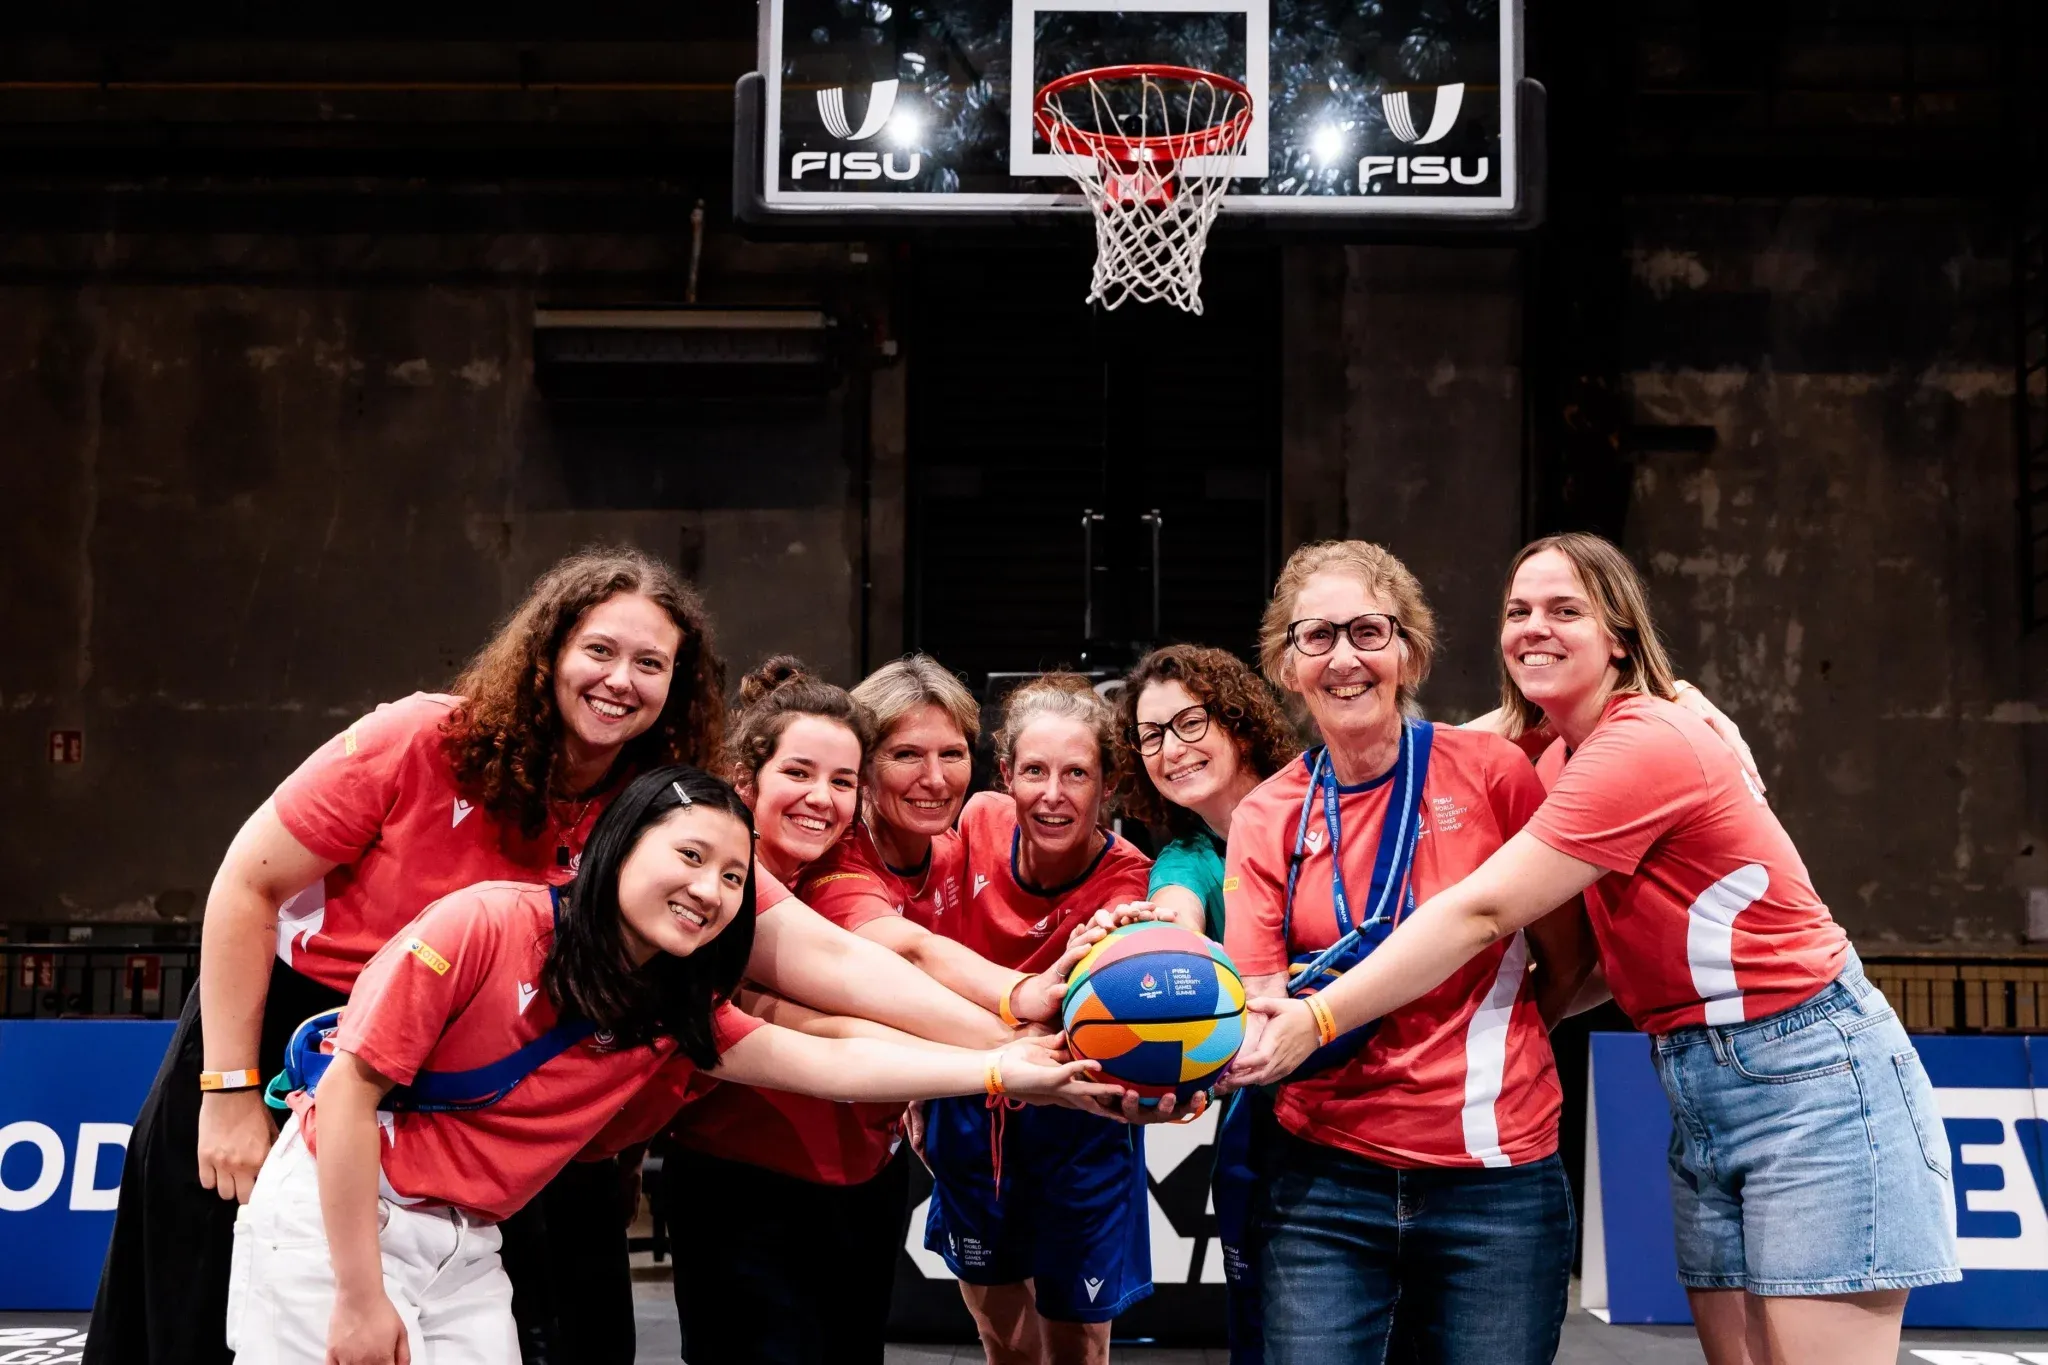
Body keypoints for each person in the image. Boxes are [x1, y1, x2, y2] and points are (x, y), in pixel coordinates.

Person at [1229, 532, 1960, 1365]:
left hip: (1809, 1070)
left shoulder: (1642, 742)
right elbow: (1416, 756)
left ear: (1619, 633)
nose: (1535, 626)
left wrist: (1321, 1015)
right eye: (1518, 611)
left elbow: (1485, 908)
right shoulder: (1549, 750)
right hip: (1698, 1077)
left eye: (1565, 609)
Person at [224, 765, 1119, 1365]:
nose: (710, 889)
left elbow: (831, 1059)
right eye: (689, 856)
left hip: (467, 1240)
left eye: (734, 878)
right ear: (620, 844)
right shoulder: (484, 924)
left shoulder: (676, 1011)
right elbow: (345, 1096)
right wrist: (355, 1292)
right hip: (335, 1218)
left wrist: (1009, 1068)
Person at [87, 546, 725, 1365]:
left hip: (446, 1083)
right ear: (549, 653)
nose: (619, 678)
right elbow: (244, 886)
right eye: (598, 649)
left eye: (650, 662)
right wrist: (229, 1090)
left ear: (677, 684)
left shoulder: (650, 813)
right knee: (197, 1316)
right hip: (283, 1041)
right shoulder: (422, 736)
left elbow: (788, 942)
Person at [1216, 540, 1588, 1365]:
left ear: (1408, 652)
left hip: (1495, 1180)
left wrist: (1510, 1036)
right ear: (1287, 665)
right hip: (1321, 1180)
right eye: (1317, 637)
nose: (1345, 657)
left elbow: (1565, 959)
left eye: (1368, 632)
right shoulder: (1268, 815)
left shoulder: (1492, 775)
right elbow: (1260, 1002)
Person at [917, 674, 1159, 1365]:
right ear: (1006, 775)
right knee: (1005, 1343)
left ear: (1107, 784)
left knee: (1078, 1351)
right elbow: (921, 954)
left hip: (1078, 1124)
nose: (1052, 794)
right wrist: (921, 1080)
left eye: (1076, 773)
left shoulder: (1130, 887)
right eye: (1035, 771)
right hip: (973, 1107)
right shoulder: (975, 822)